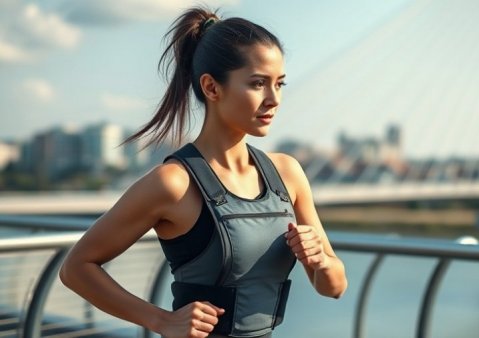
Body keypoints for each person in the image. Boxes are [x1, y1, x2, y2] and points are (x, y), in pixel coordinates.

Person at [59, 6, 347, 338]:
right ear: (211, 88)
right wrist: (161, 320)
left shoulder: (288, 173)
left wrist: (321, 262)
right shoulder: (173, 183)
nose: (274, 99)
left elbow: (334, 287)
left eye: (279, 84)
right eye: (258, 84)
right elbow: (76, 268)